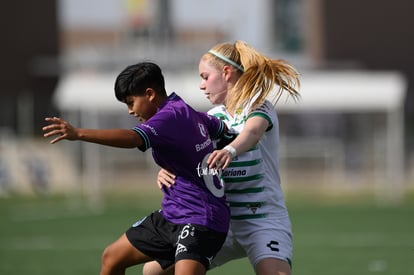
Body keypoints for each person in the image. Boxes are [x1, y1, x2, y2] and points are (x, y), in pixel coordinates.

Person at [42, 62, 232, 275]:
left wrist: (78, 134)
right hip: (173, 214)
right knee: (111, 257)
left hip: (200, 219)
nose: (130, 110)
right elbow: (223, 131)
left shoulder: (169, 116)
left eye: (131, 102)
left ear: (150, 94)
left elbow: (133, 138)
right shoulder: (186, 111)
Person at [143, 41, 300, 275]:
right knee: (152, 272)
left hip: (263, 220)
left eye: (205, 77)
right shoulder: (212, 117)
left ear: (226, 73)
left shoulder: (259, 106)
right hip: (220, 223)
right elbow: (194, 156)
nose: (201, 85)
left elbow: (253, 132)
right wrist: (168, 169)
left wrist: (230, 150)